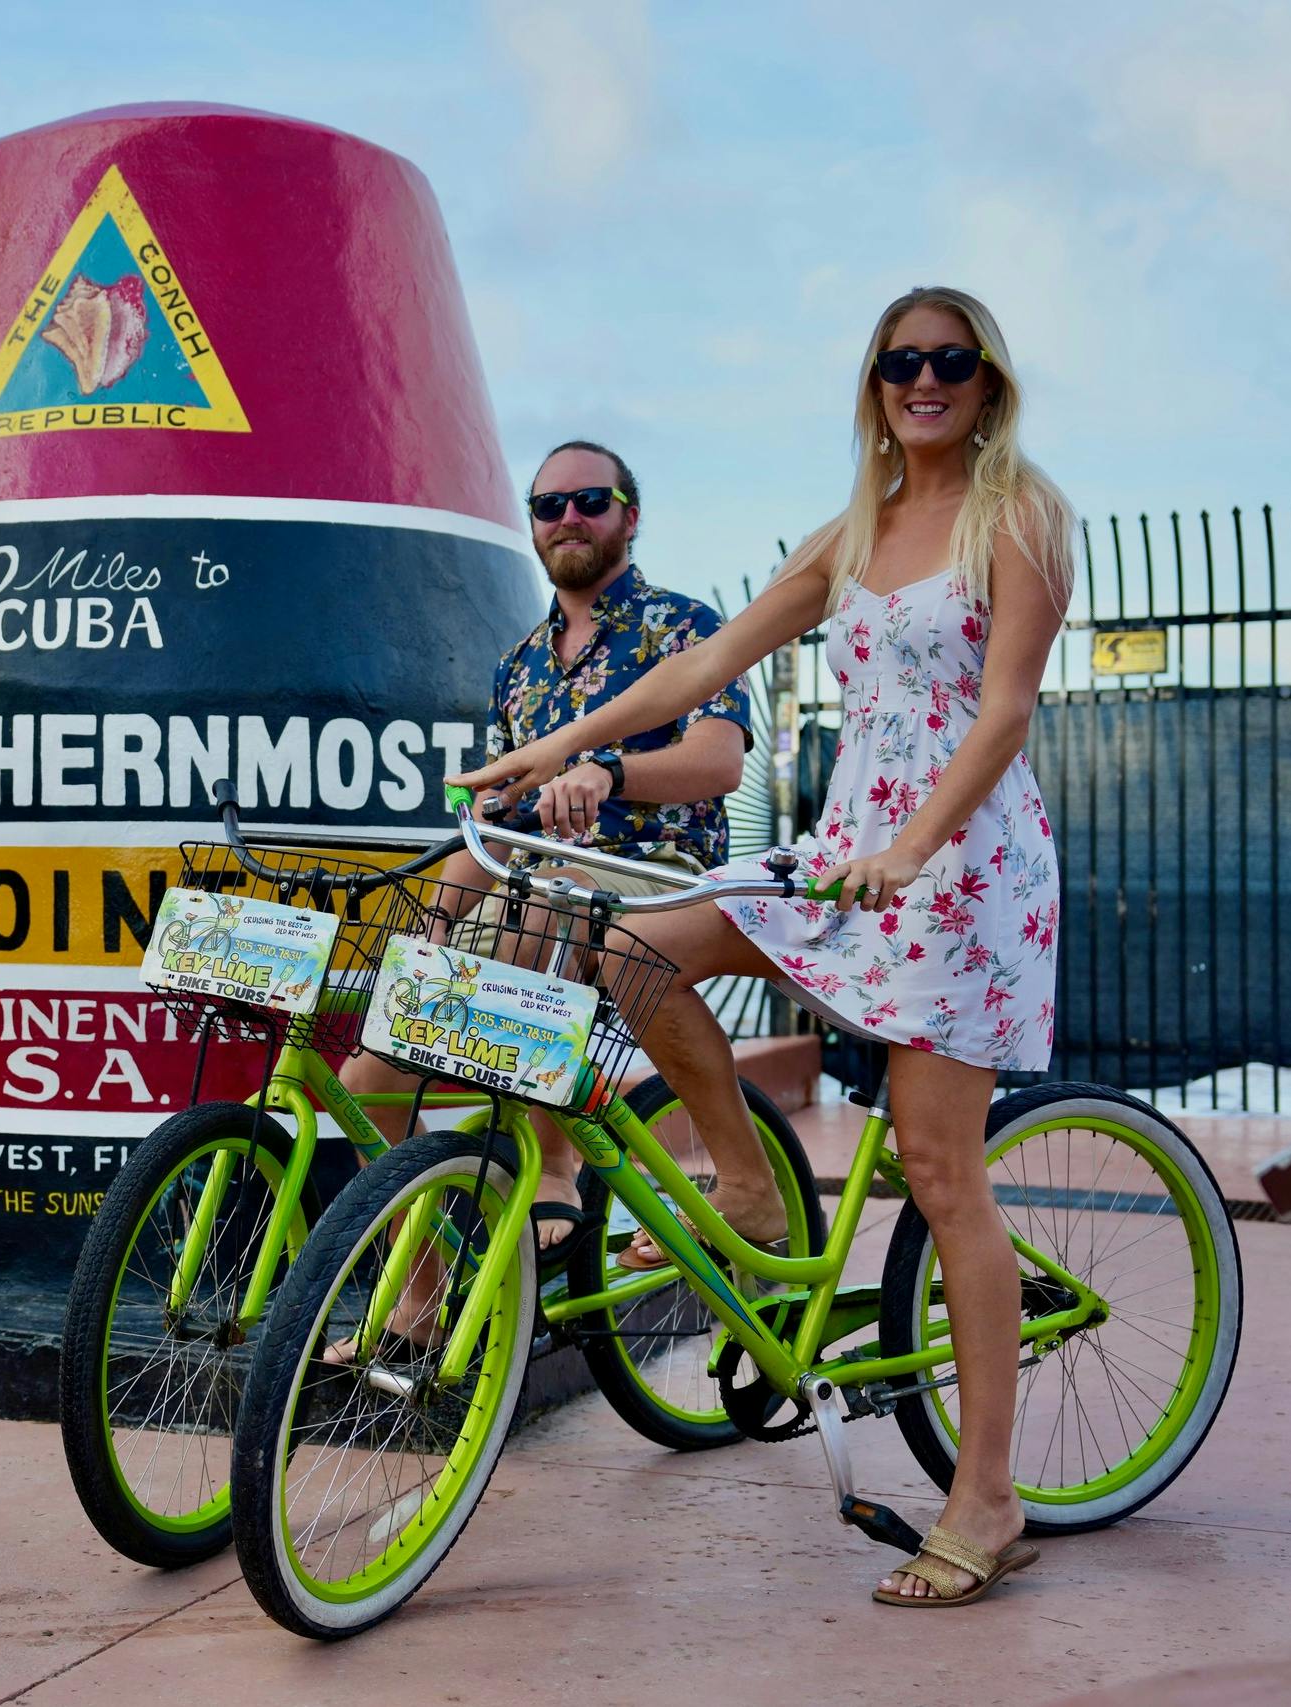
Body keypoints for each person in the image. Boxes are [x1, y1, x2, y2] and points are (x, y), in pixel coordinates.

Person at [452, 286, 1072, 1608]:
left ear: (986, 380)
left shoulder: (1021, 512)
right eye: (902, 361)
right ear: (876, 382)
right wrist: (559, 746)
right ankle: (746, 1184)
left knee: (940, 1168)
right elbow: (709, 660)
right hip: (841, 846)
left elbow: (1005, 709)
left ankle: (989, 1493)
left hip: (961, 867)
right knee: (627, 945)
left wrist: (915, 848)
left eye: (949, 361)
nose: (925, 380)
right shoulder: (849, 534)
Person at [341, 439, 751, 1260]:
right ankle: (417, 1301)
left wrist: (610, 771)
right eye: (547, 505)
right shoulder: (518, 668)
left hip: (650, 878)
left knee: (543, 900)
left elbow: (721, 758)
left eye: (589, 501)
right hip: (536, 888)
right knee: (365, 1082)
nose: (568, 517)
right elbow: (496, 826)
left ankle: (552, 1165)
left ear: (628, 517)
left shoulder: (682, 626)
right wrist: (433, 919)